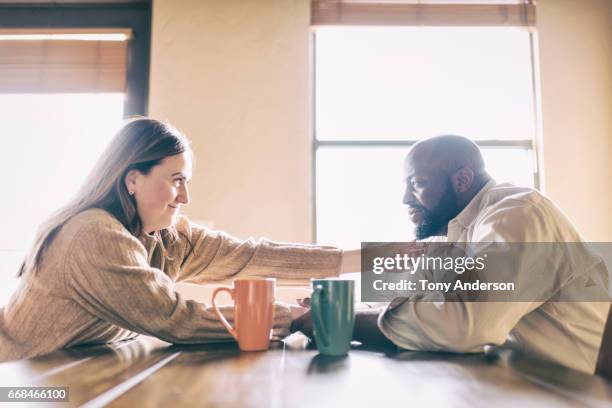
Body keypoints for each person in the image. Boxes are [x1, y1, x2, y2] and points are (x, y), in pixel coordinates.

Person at [0, 118, 360, 362]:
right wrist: (293, 319)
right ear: (131, 180)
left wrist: (371, 259)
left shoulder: (164, 237)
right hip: (21, 383)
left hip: (74, 370)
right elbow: (174, 319)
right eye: (176, 180)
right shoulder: (92, 233)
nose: (185, 197)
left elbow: (250, 256)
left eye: (187, 181)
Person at [292, 135, 610, 374]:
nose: (405, 198)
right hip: (518, 380)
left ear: (461, 180)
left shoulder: (516, 216)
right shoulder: (461, 227)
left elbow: (465, 325)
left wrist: (336, 321)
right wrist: (338, 307)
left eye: (417, 184)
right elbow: (412, 295)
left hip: (576, 390)